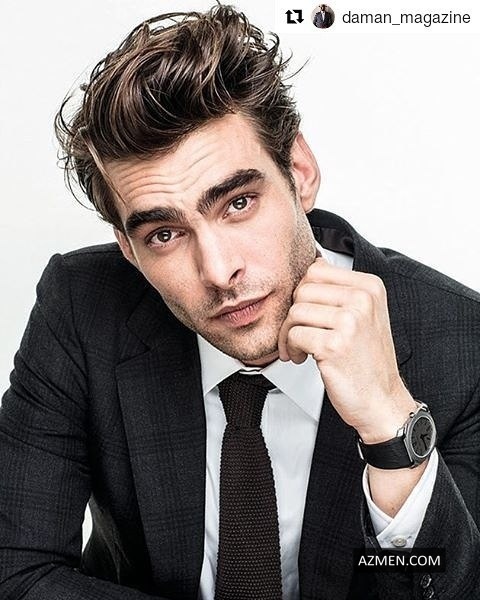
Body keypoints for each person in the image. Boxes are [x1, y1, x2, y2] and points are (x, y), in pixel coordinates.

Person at [0, 5, 479, 600]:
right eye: (164, 234)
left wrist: (391, 429)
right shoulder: (81, 308)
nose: (219, 271)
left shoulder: (461, 341)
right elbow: (17, 572)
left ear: (299, 172)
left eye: (238, 203)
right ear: (128, 249)